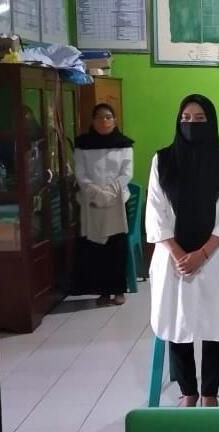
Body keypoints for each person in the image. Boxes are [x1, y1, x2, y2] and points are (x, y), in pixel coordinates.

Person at [146, 94, 219, 407]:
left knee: (216, 323)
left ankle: (210, 392)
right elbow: (156, 213)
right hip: (173, 257)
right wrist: (178, 254)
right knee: (178, 323)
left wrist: (202, 253)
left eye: (199, 119)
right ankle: (188, 391)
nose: (191, 124)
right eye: (185, 119)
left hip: (215, 255)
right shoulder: (162, 160)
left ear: (211, 123)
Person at [72, 103, 134, 306]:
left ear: (115, 120)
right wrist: (95, 192)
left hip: (117, 201)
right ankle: (103, 292)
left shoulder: (125, 144)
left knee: (117, 246)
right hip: (92, 200)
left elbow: (126, 173)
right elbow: (80, 173)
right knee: (96, 247)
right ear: (93, 121)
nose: (104, 121)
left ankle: (119, 289)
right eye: (99, 117)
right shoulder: (83, 144)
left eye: (108, 117)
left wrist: (110, 192)